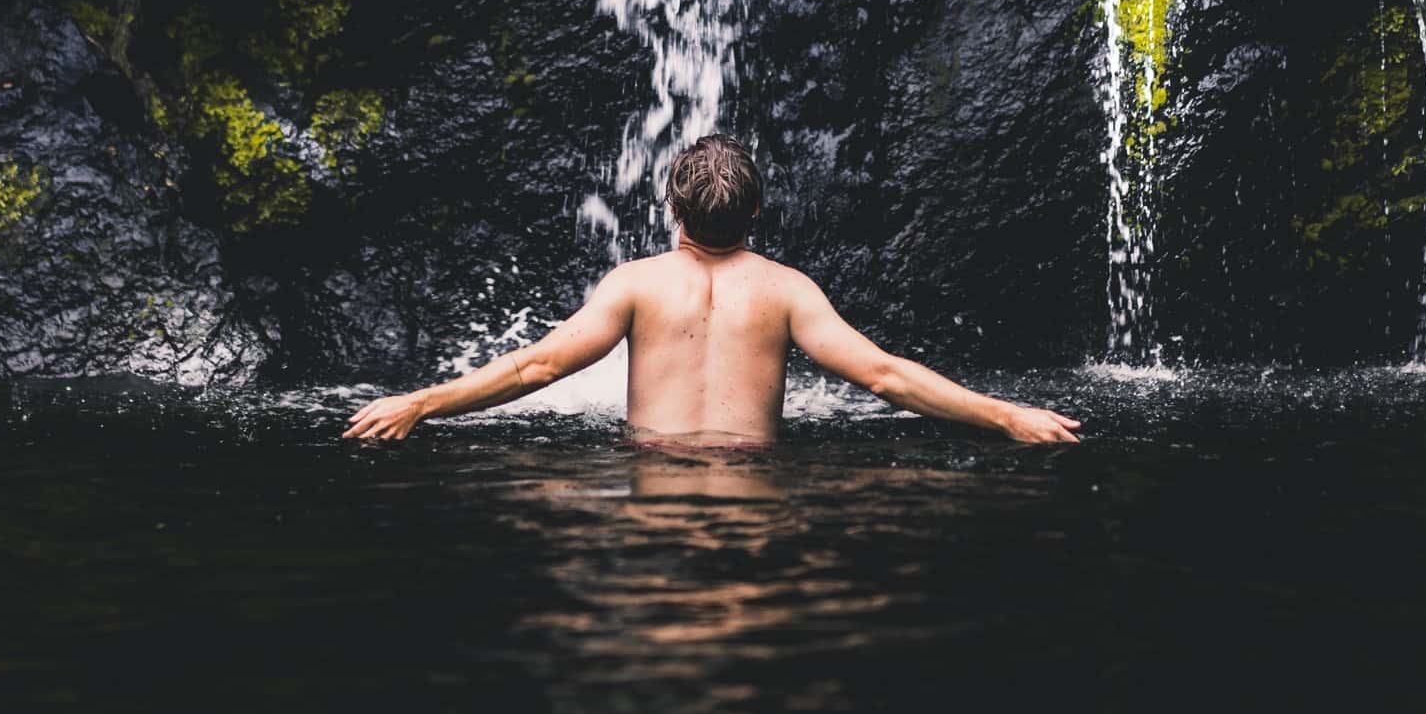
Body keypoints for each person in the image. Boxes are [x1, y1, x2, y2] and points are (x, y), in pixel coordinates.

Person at [343, 134, 1081, 445]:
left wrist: (420, 402)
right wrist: (1005, 414)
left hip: (652, 474)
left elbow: (537, 366)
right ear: (756, 211)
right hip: (752, 485)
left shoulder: (634, 283)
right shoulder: (788, 291)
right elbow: (885, 375)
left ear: (672, 208)